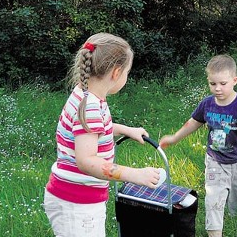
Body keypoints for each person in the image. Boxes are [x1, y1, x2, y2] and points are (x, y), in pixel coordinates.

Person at [44, 33, 161, 237]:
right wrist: (134, 174)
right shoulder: (89, 105)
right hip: (77, 204)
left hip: (75, 199)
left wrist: (127, 130)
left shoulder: (87, 95)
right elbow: (87, 161)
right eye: (127, 72)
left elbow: (95, 129)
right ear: (116, 73)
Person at [159, 55, 237, 237]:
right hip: (216, 161)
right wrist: (175, 138)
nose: (217, 88)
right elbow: (193, 122)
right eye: (212, 83)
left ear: (234, 81)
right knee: (213, 199)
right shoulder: (207, 104)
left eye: (223, 83)